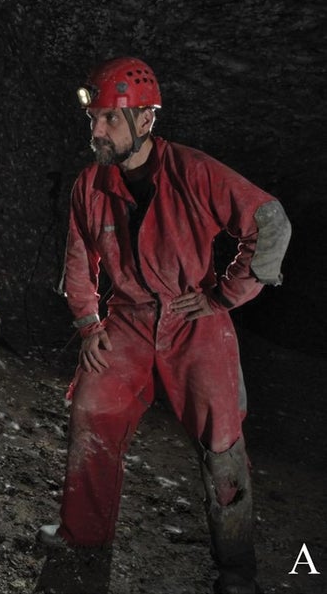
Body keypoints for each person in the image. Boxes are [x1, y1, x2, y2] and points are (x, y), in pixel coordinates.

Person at [38, 57, 291, 594]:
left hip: (192, 321)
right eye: (95, 119)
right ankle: (84, 548)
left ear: (146, 121)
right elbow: (80, 256)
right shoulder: (92, 183)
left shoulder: (192, 170)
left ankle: (237, 569)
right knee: (92, 407)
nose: (97, 130)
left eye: (109, 119)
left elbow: (268, 221)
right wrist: (88, 323)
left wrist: (227, 293)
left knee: (222, 438)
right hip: (126, 321)